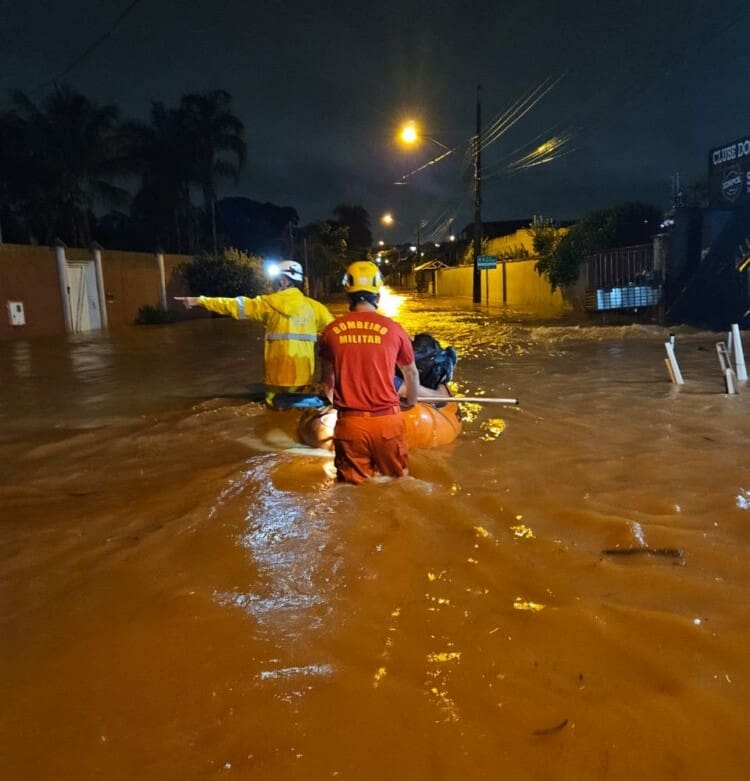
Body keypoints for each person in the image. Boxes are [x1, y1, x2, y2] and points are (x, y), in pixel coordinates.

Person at [175, 260, 333, 405]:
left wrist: (200, 300)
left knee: (275, 409)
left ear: (283, 281)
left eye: (277, 281)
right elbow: (338, 334)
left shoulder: (267, 304)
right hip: (303, 375)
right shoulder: (316, 308)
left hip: (276, 377)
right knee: (299, 413)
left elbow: (231, 306)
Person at [318, 260, 419, 484]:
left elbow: (328, 381)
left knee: (351, 494)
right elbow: (411, 373)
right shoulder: (394, 329)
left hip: (350, 425)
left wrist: (338, 403)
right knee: (399, 484)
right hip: (388, 423)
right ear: (378, 295)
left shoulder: (331, 331)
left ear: (347, 294)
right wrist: (410, 402)